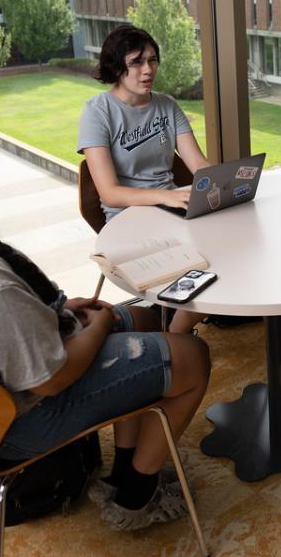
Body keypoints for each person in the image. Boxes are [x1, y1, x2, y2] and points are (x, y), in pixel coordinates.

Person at [0, 109, 211, 531]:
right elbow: (52, 378)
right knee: (191, 356)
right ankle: (137, 499)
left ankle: (124, 468)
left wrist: (59, 311)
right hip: (23, 418)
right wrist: (99, 323)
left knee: (142, 319)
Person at [78, 24, 211, 334]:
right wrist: (167, 196)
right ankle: (177, 334)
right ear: (116, 67)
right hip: (128, 219)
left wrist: (223, 182)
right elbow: (110, 193)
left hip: (173, 208)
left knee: (231, 241)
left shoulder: (166, 105)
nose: (147, 69)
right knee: (207, 258)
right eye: (136, 62)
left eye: (152, 60)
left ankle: (182, 320)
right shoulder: (98, 112)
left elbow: (198, 164)